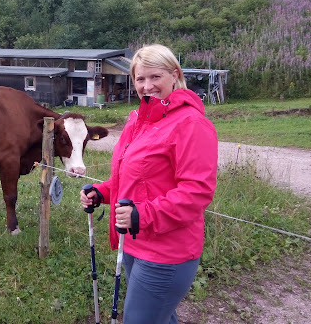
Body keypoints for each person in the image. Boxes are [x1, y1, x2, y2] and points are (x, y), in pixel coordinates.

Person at [80, 44, 218, 324]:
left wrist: (142, 215)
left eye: (155, 77)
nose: (147, 85)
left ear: (174, 75)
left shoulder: (191, 124)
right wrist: (102, 192)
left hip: (167, 251)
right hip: (133, 241)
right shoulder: (138, 121)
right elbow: (131, 178)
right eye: (140, 79)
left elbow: (197, 192)